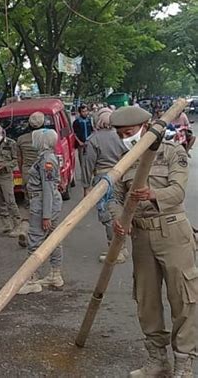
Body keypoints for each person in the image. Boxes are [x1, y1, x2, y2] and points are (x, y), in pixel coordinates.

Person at [110, 106, 197, 378]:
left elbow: (178, 191)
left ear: (146, 127)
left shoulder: (173, 152)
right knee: (146, 301)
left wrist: (152, 194)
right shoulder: (124, 161)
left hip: (172, 232)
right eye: (121, 134)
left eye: (130, 132)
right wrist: (117, 217)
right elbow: (112, 198)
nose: (127, 138)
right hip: (141, 236)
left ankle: (183, 363)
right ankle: (157, 360)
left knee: (183, 299)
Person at [17, 129, 63, 295]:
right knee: (53, 238)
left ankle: (32, 279)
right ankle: (54, 274)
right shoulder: (47, 158)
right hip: (46, 203)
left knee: (35, 240)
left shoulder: (46, 161)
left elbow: (47, 188)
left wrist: (46, 215)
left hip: (42, 202)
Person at [81, 108, 128, 263]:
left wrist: (86, 186)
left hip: (104, 179)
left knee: (107, 215)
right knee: (120, 212)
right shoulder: (121, 136)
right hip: (122, 176)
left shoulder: (93, 139)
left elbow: (88, 164)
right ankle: (122, 246)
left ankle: (116, 250)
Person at [16, 111, 45, 247]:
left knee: (29, 203)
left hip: (27, 173)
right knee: (45, 204)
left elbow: (19, 159)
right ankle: (40, 235)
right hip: (42, 174)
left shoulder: (21, 139)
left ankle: (24, 228)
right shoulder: (46, 138)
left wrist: (23, 174)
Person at [73, 105, 94, 177]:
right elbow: (74, 134)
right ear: (80, 112)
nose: (85, 113)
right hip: (81, 144)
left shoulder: (88, 120)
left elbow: (91, 131)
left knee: (90, 159)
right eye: (83, 111)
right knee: (82, 160)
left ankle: (89, 174)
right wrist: (79, 142)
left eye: (86, 111)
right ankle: (84, 175)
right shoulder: (77, 122)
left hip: (89, 143)